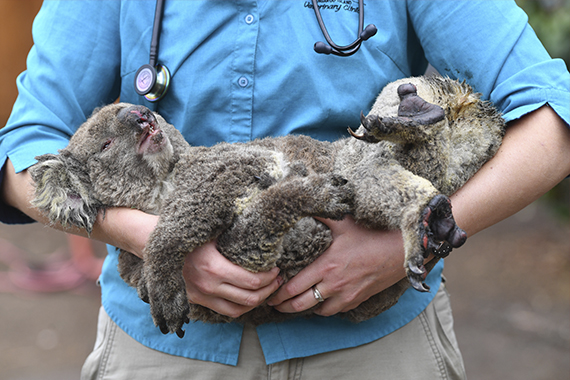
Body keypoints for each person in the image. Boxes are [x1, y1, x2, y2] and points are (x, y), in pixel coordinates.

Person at [1, 1, 569, 379]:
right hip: (166, 345)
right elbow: (25, 145)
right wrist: (153, 241)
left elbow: (553, 126)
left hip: (371, 341)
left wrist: (401, 247)